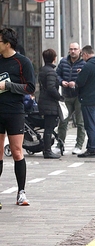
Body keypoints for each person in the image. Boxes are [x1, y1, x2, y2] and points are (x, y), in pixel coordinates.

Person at [0, 28, 35, 206]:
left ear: (7, 44)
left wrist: (8, 85)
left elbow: (30, 88)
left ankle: (21, 192)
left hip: (14, 111)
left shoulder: (23, 62)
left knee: (16, 151)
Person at [76, 45, 95, 158]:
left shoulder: (88, 66)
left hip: (88, 99)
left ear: (85, 54)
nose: (82, 57)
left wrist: (81, 74)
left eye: (82, 55)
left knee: (90, 124)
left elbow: (80, 82)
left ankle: (91, 148)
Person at [56, 42, 86, 155]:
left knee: (80, 122)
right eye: (71, 49)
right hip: (66, 95)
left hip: (79, 96)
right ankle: (60, 144)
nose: (73, 51)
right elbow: (57, 74)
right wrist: (61, 82)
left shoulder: (84, 63)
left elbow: (86, 78)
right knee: (63, 121)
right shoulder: (63, 62)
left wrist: (76, 83)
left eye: (75, 49)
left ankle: (78, 145)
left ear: (80, 50)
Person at [38, 49, 64, 159]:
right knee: (49, 127)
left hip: (43, 101)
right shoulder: (51, 72)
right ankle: (47, 151)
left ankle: (47, 149)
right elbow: (51, 88)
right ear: (54, 58)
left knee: (48, 127)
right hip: (50, 103)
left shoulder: (43, 70)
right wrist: (60, 97)